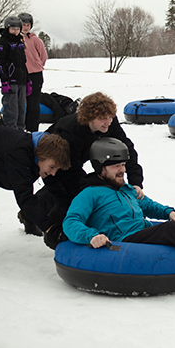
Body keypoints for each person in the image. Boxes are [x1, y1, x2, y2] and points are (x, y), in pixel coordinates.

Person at [38, 92, 144, 248]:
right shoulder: (70, 133)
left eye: (110, 117)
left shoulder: (108, 122)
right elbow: (69, 176)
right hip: (57, 161)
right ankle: (46, 225)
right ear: (88, 118)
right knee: (69, 195)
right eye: (102, 118)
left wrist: (136, 182)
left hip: (81, 155)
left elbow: (126, 149)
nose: (108, 122)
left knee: (89, 188)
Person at [0, 127, 70, 255]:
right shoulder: (19, 152)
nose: (53, 173)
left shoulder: (38, 159)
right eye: (52, 167)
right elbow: (25, 198)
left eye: (56, 169)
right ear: (41, 155)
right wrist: (49, 228)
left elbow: (56, 190)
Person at [0, 16, 29, 130]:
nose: (15, 32)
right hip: (10, 82)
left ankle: (21, 134)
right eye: (13, 29)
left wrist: (27, 80)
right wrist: (4, 81)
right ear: (7, 28)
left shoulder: (20, 43)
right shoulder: (3, 43)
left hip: (21, 81)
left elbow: (23, 64)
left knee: (21, 111)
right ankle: (10, 135)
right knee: (11, 111)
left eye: (17, 29)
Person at [19, 13, 48, 132]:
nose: (25, 27)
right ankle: (21, 127)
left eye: (27, 25)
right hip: (20, 75)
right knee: (20, 103)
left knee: (33, 103)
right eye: (23, 25)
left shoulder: (36, 40)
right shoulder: (15, 40)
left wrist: (36, 66)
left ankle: (32, 129)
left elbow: (43, 56)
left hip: (35, 75)